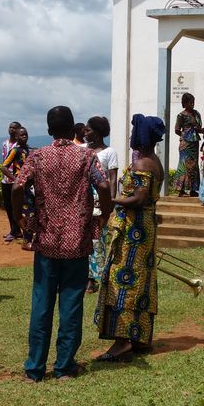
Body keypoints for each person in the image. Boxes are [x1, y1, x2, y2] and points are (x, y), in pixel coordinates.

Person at [13, 106, 112, 382]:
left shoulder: (37, 156)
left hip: (46, 241)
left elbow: (18, 187)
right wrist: (104, 215)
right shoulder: (86, 156)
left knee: (41, 305)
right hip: (77, 242)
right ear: (74, 130)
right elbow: (104, 187)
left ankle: (34, 369)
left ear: (48, 130)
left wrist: (20, 217)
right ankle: (64, 366)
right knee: (71, 305)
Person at [96, 114, 166, 361]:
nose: (129, 137)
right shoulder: (154, 161)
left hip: (134, 230)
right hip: (144, 228)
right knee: (142, 279)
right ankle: (139, 337)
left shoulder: (142, 164)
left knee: (124, 279)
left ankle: (122, 341)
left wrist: (109, 200)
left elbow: (138, 199)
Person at [85, 116, 118, 293]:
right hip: (82, 200)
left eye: (88, 129)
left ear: (97, 132)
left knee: (97, 240)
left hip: (100, 201)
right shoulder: (82, 150)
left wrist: (110, 203)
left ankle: (93, 278)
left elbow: (112, 179)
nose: (85, 132)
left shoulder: (109, 152)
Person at [1, 127, 31, 244]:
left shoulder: (29, 150)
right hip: (20, 187)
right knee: (25, 211)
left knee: (32, 211)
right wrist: (16, 179)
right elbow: (4, 167)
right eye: (21, 135)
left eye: (26, 134)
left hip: (30, 185)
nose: (24, 136)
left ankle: (29, 237)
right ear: (16, 137)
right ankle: (26, 238)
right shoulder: (15, 150)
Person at [172, 93, 202, 196]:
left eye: (193, 101)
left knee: (193, 166)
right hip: (185, 144)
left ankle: (193, 190)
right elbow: (176, 130)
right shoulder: (181, 115)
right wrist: (185, 136)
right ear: (184, 103)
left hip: (194, 143)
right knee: (184, 165)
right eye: (190, 102)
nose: (192, 103)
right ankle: (181, 190)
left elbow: (198, 128)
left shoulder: (197, 113)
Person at [0, 122, 23, 243]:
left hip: (16, 180)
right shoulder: (5, 144)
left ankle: (17, 230)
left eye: (14, 128)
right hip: (5, 179)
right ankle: (14, 230)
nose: (12, 130)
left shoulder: (19, 146)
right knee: (8, 206)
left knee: (17, 207)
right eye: (10, 127)